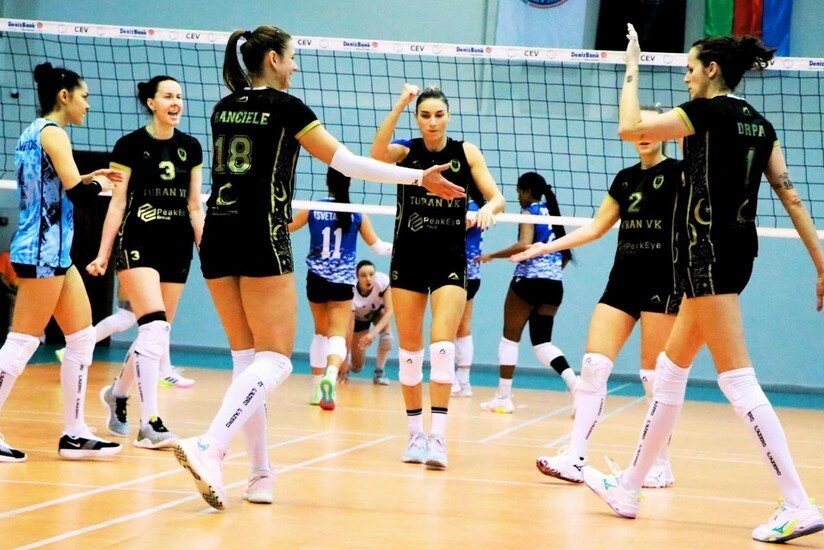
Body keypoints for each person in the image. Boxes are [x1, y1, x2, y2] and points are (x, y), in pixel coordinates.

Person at [172, 26, 463, 510]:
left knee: (247, 362)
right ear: (272, 59)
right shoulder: (288, 107)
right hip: (260, 234)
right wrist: (419, 177)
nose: (296, 66)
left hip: (218, 233)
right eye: (292, 57)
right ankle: (211, 445)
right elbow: (347, 163)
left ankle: (260, 473)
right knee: (276, 360)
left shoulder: (224, 107)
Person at [580, 26, 824, 543]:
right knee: (670, 372)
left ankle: (798, 503)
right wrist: (821, 264)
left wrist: (631, 67)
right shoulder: (761, 125)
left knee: (737, 378)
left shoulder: (705, 113)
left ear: (712, 70)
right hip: (737, 255)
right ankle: (629, 487)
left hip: (705, 255)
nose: (686, 77)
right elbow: (792, 197)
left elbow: (629, 127)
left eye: (690, 68)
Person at [513, 108, 682, 489]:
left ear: (666, 132)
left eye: (651, 127)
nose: (644, 134)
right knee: (593, 365)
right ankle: (575, 458)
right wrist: (545, 247)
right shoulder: (625, 179)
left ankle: (660, 465)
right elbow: (595, 228)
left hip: (664, 281)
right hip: (623, 281)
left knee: (654, 377)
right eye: (637, 127)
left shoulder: (680, 174)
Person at [371, 84, 505, 469]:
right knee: (411, 352)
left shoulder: (466, 152)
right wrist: (401, 103)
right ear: (417, 119)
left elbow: (497, 197)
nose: (432, 122)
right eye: (425, 115)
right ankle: (415, 435)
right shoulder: (406, 152)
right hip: (408, 258)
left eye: (439, 115)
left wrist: (488, 210)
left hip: (450, 259)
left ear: (448, 116)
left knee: (443, 347)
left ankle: (439, 439)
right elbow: (376, 156)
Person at [0, 62, 123, 461]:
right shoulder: (54, 133)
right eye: (84, 97)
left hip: (54, 251)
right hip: (41, 251)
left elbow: (56, 184)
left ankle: (74, 433)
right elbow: (78, 196)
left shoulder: (36, 132)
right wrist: (98, 185)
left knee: (82, 336)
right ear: (64, 96)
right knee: (21, 342)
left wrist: (88, 178)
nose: (88, 105)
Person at [87, 75, 204, 450]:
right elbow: (117, 203)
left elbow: (194, 206)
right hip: (138, 242)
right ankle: (150, 423)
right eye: (168, 96)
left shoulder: (191, 147)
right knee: (152, 328)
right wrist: (103, 253)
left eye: (179, 96)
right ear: (151, 103)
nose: (176, 102)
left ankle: (117, 393)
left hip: (177, 245)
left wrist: (207, 251)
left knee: (156, 334)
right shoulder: (130, 145)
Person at [288, 167, 392, 409]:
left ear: (327, 183)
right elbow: (379, 248)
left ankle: (317, 389)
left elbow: (286, 226)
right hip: (342, 283)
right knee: (337, 334)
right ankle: (331, 376)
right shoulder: (356, 213)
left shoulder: (313, 207)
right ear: (349, 184)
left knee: (320, 333)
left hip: (316, 279)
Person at [478, 173, 576, 414]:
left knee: (510, 338)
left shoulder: (529, 211)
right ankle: (576, 385)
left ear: (527, 192)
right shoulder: (553, 213)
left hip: (528, 282)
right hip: (554, 285)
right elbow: (564, 255)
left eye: (519, 192)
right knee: (543, 344)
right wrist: (549, 272)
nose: (519, 197)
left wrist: (492, 255)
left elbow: (524, 244)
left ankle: (503, 397)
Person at [55, 286, 196, 388]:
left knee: (145, 321)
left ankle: (163, 369)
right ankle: (162, 371)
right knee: (137, 319)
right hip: (138, 263)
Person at [450, 199, 483, 398]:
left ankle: (454, 380)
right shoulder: (477, 206)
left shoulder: (471, 207)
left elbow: (454, 228)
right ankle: (463, 381)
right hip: (470, 274)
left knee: (451, 326)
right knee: (462, 328)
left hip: (460, 274)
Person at [349, 260, 394, 386]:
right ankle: (345, 362)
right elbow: (347, 324)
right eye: (363, 275)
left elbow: (390, 311)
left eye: (371, 274)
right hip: (357, 321)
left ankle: (379, 372)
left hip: (376, 312)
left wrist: (372, 334)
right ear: (357, 277)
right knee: (357, 368)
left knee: (388, 338)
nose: (368, 278)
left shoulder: (382, 282)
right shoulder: (350, 288)